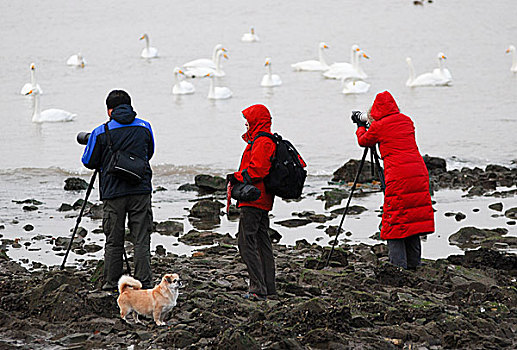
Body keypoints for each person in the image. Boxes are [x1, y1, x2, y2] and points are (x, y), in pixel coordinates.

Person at [352, 91, 434, 269]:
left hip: (399, 176)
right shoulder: (407, 120)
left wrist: (360, 125)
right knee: (412, 219)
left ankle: (398, 268)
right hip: (418, 172)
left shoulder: (378, 127)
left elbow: (364, 141)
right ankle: (414, 265)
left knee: (394, 221)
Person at [82, 90, 155, 290]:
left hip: (113, 193)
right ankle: (144, 282)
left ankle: (112, 282)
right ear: (130, 106)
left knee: (114, 240)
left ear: (109, 110)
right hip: (140, 189)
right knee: (141, 238)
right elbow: (149, 153)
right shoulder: (144, 126)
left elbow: (88, 161)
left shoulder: (100, 132)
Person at [227, 104, 277, 301]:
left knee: (246, 242)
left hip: (254, 198)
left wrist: (237, 177)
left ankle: (257, 287)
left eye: (249, 119)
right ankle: (267, 287)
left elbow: (258, 170)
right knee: (261, 240)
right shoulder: (261, 140)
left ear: (257, 120)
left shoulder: (263, 142)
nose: (246, 123)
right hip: (260, 197)